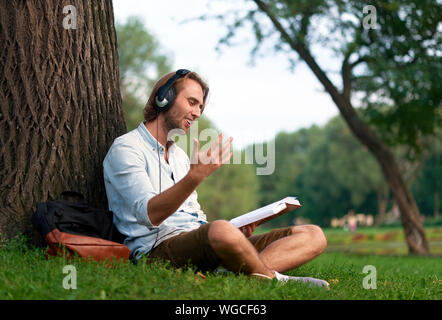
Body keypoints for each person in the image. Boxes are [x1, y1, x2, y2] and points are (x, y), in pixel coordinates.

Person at [103, 69, 329, 288]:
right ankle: (270, 277)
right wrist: (195, 176)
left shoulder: (179, 156)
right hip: (158, 250)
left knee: (312, 235)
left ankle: (236, 270)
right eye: (192, 102)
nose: (198, 113)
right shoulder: (127, 148)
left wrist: (237, 230)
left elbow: (196, 216)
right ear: (165, 98)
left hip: (202, 243)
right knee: (220, 231)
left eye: (201, 106)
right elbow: (149, 214)